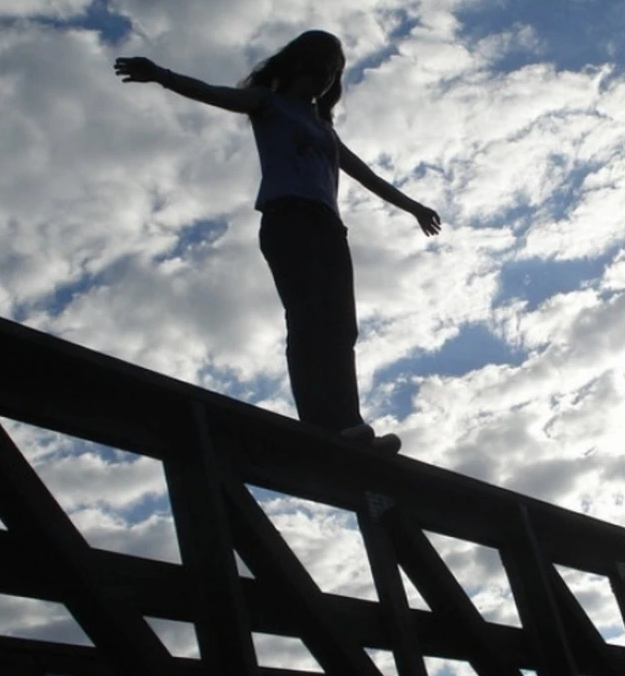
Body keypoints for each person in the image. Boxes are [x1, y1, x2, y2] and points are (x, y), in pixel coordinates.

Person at [114, 30, 440, 453]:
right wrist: (160, 74)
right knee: (308, 320)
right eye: (320, 67)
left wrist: (413, 207)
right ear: (297, 65)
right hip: (287, 218)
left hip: (328, 227)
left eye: (332, 73)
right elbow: (212, 93)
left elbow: (368, 176)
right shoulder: (267, 103)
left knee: (340, 326)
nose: (325, 79)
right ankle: (321, 424)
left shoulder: (324, 130)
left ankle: (348, 423)